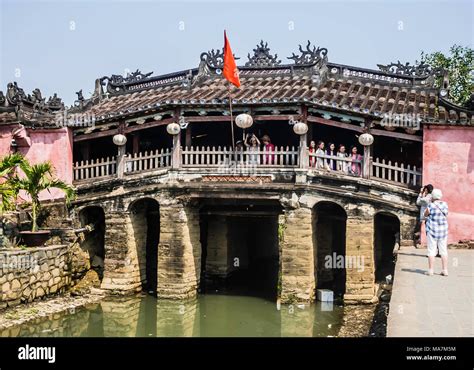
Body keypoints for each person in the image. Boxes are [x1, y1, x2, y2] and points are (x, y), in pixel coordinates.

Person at [424, 189, 449, 276]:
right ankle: (445, 270)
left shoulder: (430, 205)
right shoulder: (445, 204)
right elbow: (446, 214)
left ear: (432, 196)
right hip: (443, 231)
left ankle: (431, 270)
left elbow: (425, 215)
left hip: (432, 230)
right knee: (443, 251)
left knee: (431, 251)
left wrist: (430, 203)